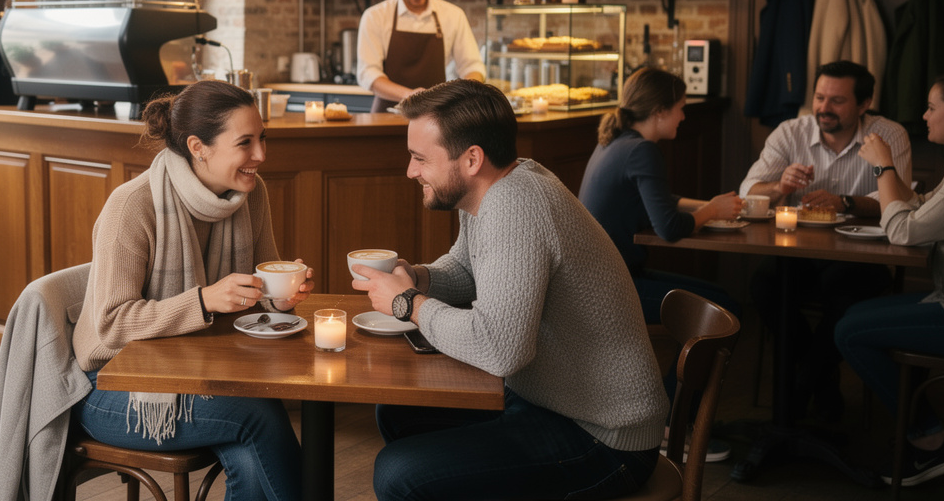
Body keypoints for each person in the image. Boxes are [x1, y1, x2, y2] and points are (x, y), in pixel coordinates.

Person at [352, 79, 667, 500]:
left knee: (399, 474)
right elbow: (466, 269)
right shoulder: (494, 187)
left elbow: (501, 349)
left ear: (471, 159)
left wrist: (408, 303)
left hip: (605, 437)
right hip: (550, 401)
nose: (411, 171)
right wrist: (418, 277)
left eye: (420, 158)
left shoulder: (516, 205)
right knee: (397, 412)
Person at [71, 80, 313, 501]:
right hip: (111, 387)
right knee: (256, 414)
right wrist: (203, 301)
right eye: (245, 143)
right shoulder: (133, 205)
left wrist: (281, 298)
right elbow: (110, 326)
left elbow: (262, 282)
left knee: (251, 445)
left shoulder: (251, 195)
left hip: (204, 370)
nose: (261, 155)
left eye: (262, 139)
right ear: (198, 146)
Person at [740, 60, 913, 421]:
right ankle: (821, 385)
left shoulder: (888, 135)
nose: (824, 108)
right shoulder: (791, 132)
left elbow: (900, 200)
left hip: (863, 256)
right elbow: (747, 191)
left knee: (844, 292)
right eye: (819, 97)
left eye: (837, 101)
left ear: (864, 104)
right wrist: (780, 186)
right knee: (765, 286)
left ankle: (798, 394)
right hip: (798, 252)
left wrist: (846, 202)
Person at [836, 70, 944, 488]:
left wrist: (883, 166)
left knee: (850, 330)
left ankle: (933, 442)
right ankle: (925, 437)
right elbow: (916, 205)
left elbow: (904, 230)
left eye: (933, 107)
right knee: (853, 315)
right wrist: (891, 173)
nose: (925, 115)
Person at [579, 67, 742, 324]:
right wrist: (712, 211)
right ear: (660, 111)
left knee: (721, 297)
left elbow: (658, 199)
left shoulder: (615, 141)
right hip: (607, 288)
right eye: (681, 107)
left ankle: (679, 366)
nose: (683, 116)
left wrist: (711, 205)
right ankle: (678, 367)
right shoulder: (642, 150)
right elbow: (669, 227)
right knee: (725, 310)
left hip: (598, 280)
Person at [357, 0, 485, 112]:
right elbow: (368, 74)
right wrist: (410, 95)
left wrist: (462, 94)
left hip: (436, 117)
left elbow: (472, 67)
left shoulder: (453, 15)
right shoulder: (375, 16)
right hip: (387, 116)